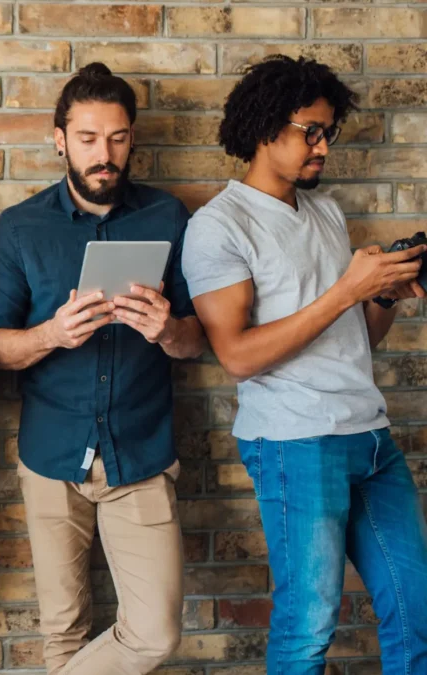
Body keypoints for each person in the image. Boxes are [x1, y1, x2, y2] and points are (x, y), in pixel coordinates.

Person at [183, 55, 427, 675]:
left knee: (415, 611)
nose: (322, 146)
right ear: (266, 129)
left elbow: (350, 344)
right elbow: (236, 354)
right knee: (309, 627)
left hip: (369, 438)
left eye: (327, 132)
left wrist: (380, 298)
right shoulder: (219, 226)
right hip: (295, 443)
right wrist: (346, 290)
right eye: (309, 131)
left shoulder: (326, 212)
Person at [0, 63, 206, 674]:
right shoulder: (20, 228)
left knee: (154, 635)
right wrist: (52, 334)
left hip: (140, 452)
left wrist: (167, 330)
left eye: (117, 138)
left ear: (132, 138)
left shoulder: (169, 217)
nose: (103, 154)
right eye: (87, 139)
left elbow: (196, 344)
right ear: (60, 139)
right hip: (52, 457)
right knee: (63, 635)